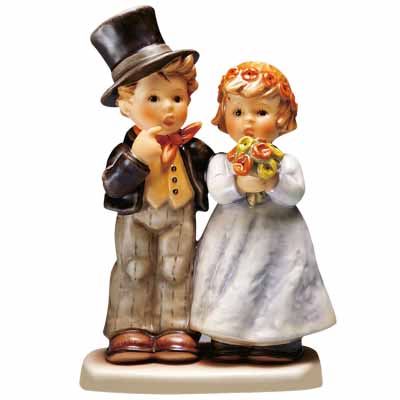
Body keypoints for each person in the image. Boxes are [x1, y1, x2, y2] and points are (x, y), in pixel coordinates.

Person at [190, 62, 336, 362]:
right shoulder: (222, 161)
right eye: (238, 112)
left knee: (279, 282)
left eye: (261, 112)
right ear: (224, 116)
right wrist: (239, 184)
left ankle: (277, 339)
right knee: (228, 280)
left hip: (278, 236)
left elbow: (294, 193)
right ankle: (226, 337)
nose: (248, 121)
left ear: (281, 118)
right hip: (231, 237)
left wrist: (273, 182)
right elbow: (219, 190)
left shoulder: (286, 162)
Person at [91, 6, 213, 364]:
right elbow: (112, 186)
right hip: (137, 216)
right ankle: (130, 326)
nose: (168, 109)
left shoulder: (192, 149)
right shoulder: (128, 149)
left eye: (177, 98)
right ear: (127, 104)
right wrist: (136, 160)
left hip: (179, 215)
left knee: (178, 268)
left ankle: (176, 327)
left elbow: (215, 174)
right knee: (135, 266)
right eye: (154, 99)